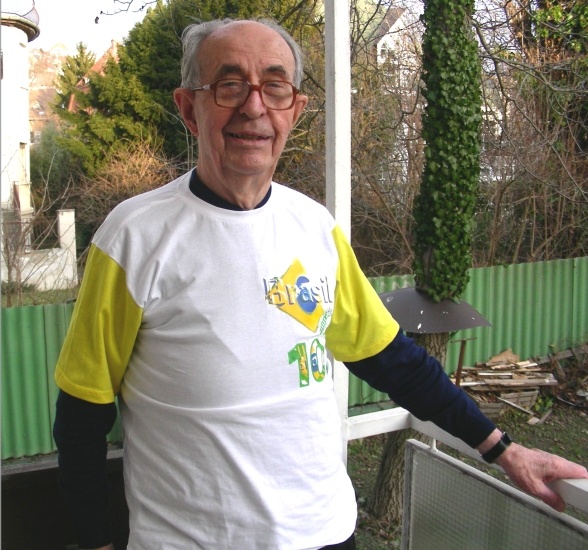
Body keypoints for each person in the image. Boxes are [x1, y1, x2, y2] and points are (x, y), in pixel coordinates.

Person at [53, 17, 588, 550]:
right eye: (230, 84)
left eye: (275, 87)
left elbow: (393, 361)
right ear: (189, 108)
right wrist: (96, 542)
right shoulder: (132, 237)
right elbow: (82, 413)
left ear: (295, 109)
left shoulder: (315, 228)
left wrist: (505, 451)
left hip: (326, 534)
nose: (254, 107)